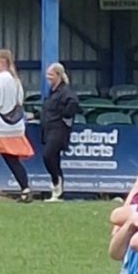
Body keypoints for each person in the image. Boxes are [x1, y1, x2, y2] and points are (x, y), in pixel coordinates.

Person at [39, 62, 80, 202]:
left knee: (48, 155)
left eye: (51, 74)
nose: (48, 77)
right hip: (48, 129)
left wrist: (64, 115)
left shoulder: (65, 91)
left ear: (58, 75)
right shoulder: (52, 92)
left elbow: (73, 103)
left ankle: (56, 182)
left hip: (58, 129)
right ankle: (57, 191)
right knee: (54, 159)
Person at [0, 49, 33, 203]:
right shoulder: (16, 80)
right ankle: (25, 189)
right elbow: (20, 102)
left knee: (10, 159)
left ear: (1, 62)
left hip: (1, 126)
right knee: (12, 160)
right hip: (15, 126)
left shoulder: (1, 79)